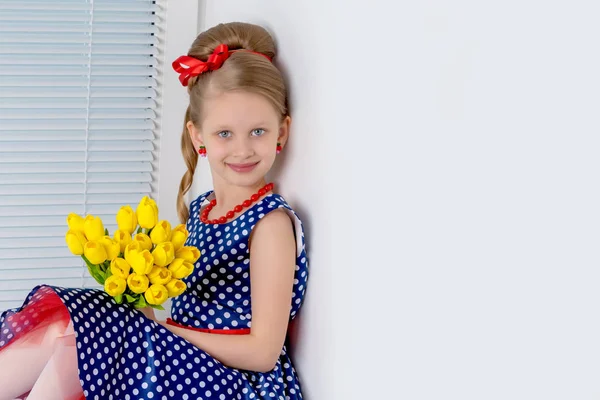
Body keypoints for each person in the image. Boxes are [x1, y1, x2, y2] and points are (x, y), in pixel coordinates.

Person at [0, 22, 309, 400]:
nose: (242, 149)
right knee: (72, 329)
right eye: (224, 133)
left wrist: (161, 332)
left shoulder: (270, 224)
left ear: (282, 131)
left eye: (258, 131)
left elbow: (263, 353)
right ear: (199, 137)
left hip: (238, 383)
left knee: (84, 332)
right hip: (192, 362)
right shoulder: (203, 209)